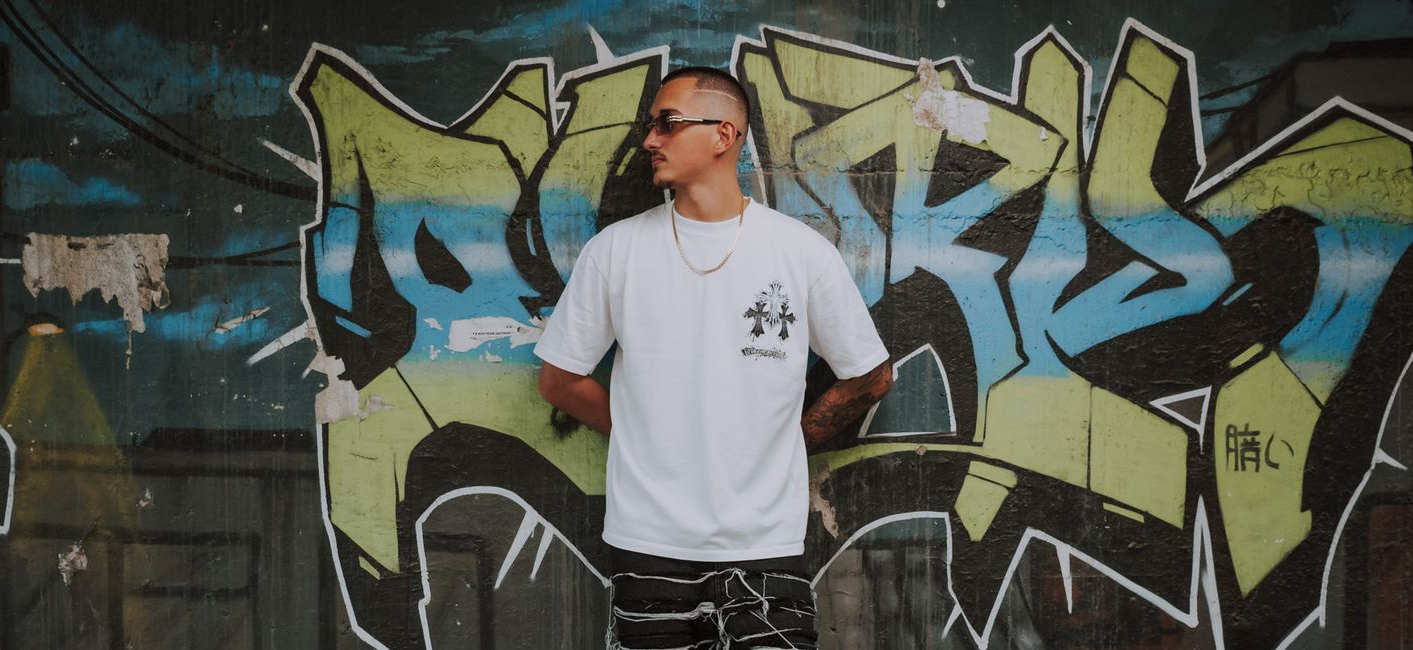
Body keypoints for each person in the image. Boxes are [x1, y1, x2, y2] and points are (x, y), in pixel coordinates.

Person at [534, 66, 892, 650]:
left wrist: (791, 439)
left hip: (765, 545)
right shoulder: (615, 252)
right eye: (652, 125)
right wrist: (644, 436)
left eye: (667, 124)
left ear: (723, 134)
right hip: (648, 542)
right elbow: (560, 381)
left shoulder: (799, 252)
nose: (650, 140)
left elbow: (871, 376)